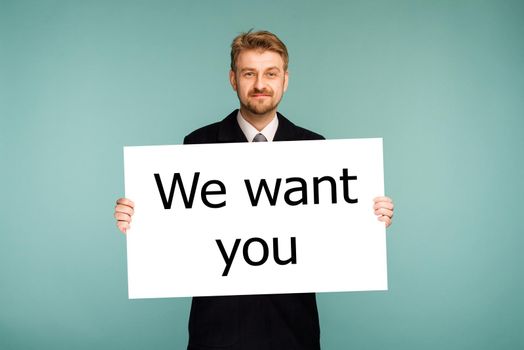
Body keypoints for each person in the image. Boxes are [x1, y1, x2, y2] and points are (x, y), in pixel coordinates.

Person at [114, 30, 394, 350]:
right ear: (234, 79)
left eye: (270, 74)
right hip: (216, 332)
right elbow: (183, 229)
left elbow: (327, 233)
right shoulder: (197, 145)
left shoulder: (315, 149)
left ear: (285, 80)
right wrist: (141, 220)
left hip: (293, 331)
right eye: (249, 73)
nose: (260, 84)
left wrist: (366, 220)